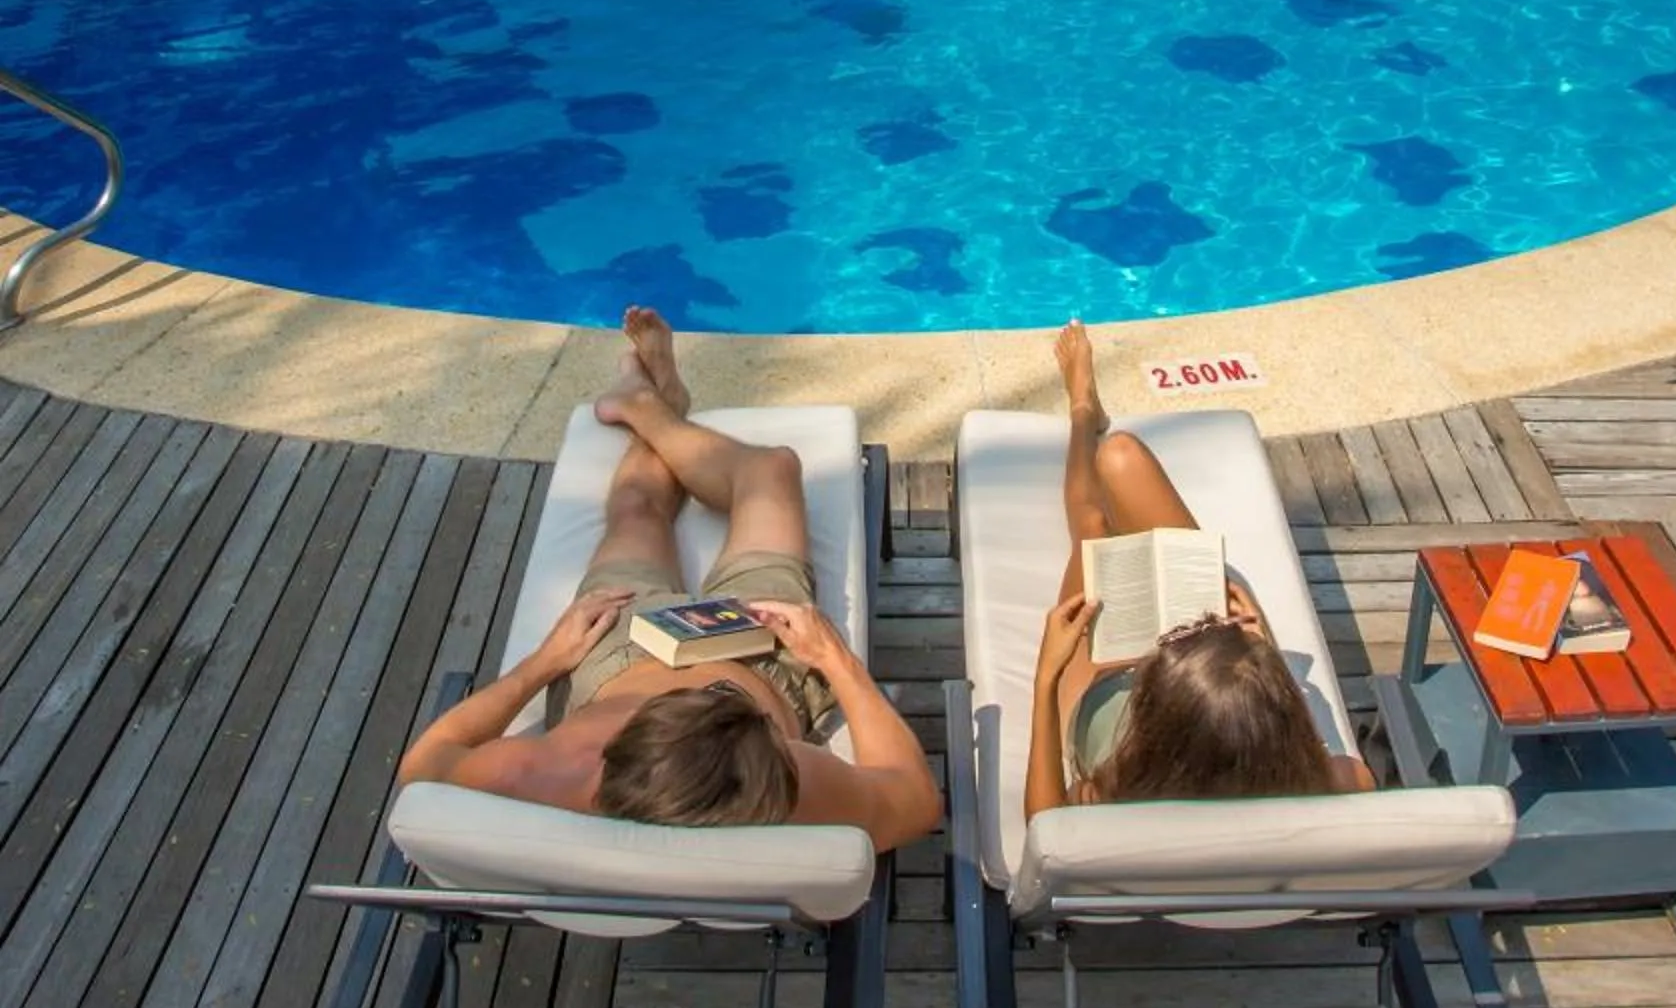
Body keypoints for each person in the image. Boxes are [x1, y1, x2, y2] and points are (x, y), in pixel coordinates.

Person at [398, 307, 941, 850]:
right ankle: (655, 410)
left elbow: (422, 766)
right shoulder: (794, 790)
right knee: (770, 469)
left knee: (638, 509)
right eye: (719, 695)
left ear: (614, 746)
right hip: (767, 660)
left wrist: (545, 664)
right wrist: (835, 660)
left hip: (612, 651)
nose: (694, 680)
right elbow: (915, 797)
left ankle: (656, 406)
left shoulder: (542, 774)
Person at [1026, 322, 1374, 819]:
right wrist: (1263, 664)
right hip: (1206, 700)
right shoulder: (1328, 781)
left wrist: (1046, 678)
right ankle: (1090, 416)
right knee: (1120, 458)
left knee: (1093, 527)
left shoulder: (1114, 788)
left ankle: (1082, 407)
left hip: (1109, 704)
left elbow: (1043, 824)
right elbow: (1330, 766)